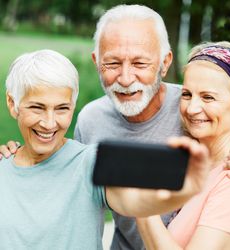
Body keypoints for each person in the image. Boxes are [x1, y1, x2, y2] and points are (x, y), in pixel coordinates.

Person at [1, 4, 230, 250]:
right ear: (96, 62)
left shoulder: (191, 114)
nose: (126, 78)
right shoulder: (91, 120)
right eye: (112, 64)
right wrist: (15, 160)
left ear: (165, 63)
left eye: (140, 64)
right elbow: (70, 182)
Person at [0, 49, 210, 250]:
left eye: (62, 108)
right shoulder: (4, 165)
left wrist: (183, 190)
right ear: (12, 103)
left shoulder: (91, 162)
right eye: (37, 107)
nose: (49, 123)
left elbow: (134, 201)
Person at [136, 41, 230, 249]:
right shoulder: (200, 168)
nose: (192, 108)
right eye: (187, 95)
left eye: (208, 97)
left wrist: (143, 206)